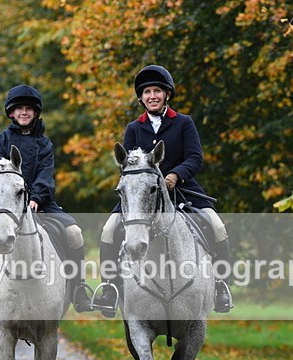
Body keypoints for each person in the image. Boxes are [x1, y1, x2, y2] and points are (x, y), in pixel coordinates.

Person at [91, 65, 233, 316]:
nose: (152, 96)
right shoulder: (134, 127)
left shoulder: (184, 123)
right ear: (141, 98)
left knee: (216, 225)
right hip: (143, 197)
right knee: (109, 229)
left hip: (184, 190)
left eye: (157, 90)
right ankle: (110, 287)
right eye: (147, 92)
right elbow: (127, 164)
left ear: (167, 94)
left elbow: (195, 157)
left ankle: (221, 284)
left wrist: (175, 175)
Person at [0, 84, 93, 316]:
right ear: (11, 113)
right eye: (19, 109)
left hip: (41, 202)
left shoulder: (45, 144)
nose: (24, 112)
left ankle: (78, 290)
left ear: (36, 113)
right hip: (4, 204)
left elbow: (46, 175)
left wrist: (36, 196)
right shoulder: (2, 140)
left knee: (74, 233)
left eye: (29, 109)